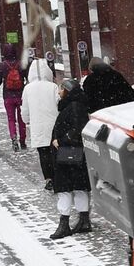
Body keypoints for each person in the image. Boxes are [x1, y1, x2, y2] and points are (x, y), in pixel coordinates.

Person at [48, 80, 93, 238]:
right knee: (79, 186)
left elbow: (77, 129)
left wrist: (61, 140)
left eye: (61, 89)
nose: (59, 92)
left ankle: (64, 224)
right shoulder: (75, 104)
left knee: (65, 189)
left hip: (69, 154)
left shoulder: (73, 106)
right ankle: (84, 221)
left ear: (67, 91)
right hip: (75, 154)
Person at [22, 56, 60, 188]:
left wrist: (26, 120)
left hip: (37, 125)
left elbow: (25, 109)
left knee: (43, 153)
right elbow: (59, 104)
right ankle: (57, 177)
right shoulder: (53, 87)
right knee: (54, 152)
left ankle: (48, 178)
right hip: (53, 124)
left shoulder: (28, 89)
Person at [0, 43, 27, 150]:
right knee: (21, 119)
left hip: (8, 96)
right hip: (20, 95)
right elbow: (27, 78)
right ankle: (23, 140)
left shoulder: (2, 65)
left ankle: (13, 137)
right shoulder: (21, 64)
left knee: (11, 119)